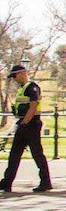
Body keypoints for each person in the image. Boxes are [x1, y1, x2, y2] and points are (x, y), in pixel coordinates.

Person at [0, 64, 52, 192]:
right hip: (23, 123)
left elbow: (33, 107)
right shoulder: (22, 88)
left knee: (37, 154)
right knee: (14, 154)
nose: (14, 79)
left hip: (31, 124)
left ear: (22, 73)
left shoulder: (32, 87)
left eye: (15, 76)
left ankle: (46, 182)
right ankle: (7, 182)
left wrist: (25, 123)